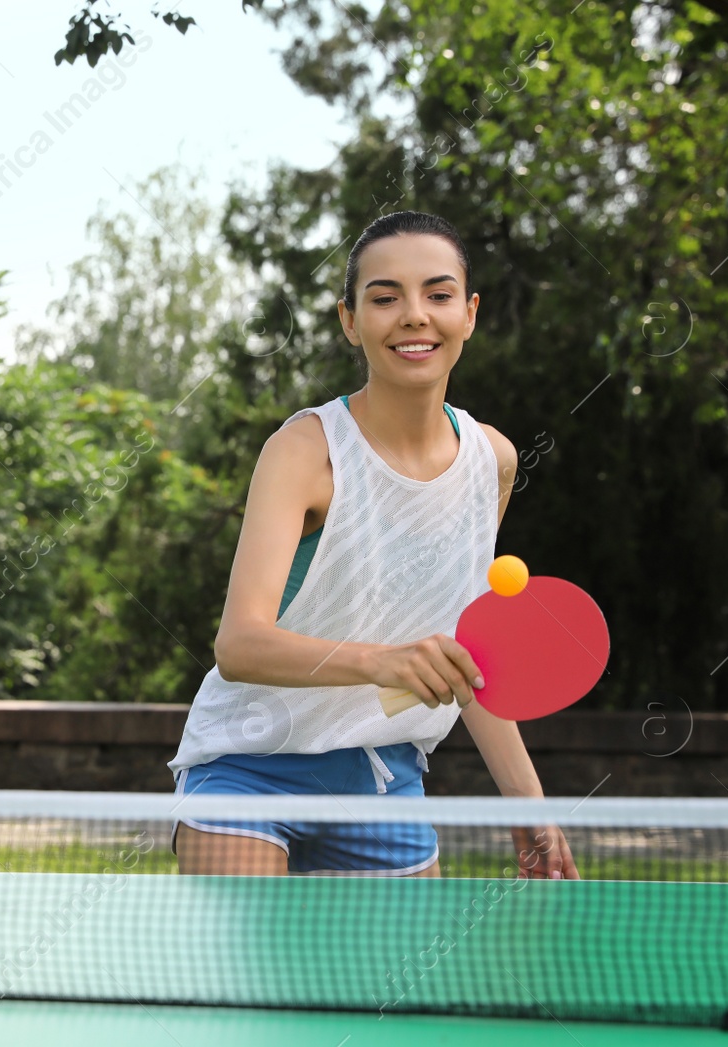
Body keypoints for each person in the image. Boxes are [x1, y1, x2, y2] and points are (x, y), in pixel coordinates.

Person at [168, 210, 578, 880]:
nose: (414, 315)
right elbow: (239, 645)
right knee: (235, 989)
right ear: (351, 321)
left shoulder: (493, 460)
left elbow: (466, 653)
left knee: (393, 991)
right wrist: (383, 662)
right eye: (385, 298)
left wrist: (529, 804)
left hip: (382, 779)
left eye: (438, 294)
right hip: (248, 768)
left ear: (469, 314)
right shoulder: (304, 450)